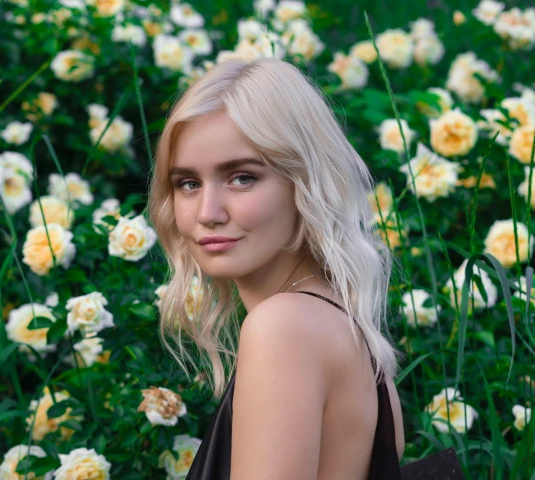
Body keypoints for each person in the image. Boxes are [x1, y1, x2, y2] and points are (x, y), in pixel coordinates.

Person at [146, 57, 406, 479]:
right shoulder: (350, 333)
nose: (207, 213)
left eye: (242, 178)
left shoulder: (282, 329)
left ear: (304, 182)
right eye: (188, 183)